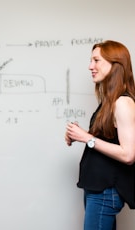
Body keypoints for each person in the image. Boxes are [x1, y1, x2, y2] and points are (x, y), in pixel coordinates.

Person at [65, 40, 135, 229]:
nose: (90, 66)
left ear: (115, 65)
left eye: (96, 60)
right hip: (98, 189)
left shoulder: (123, 103)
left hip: (105, 192)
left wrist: (87, 138)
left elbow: (128, 154)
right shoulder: (110, 101)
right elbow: (108, 139)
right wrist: (81, 135)